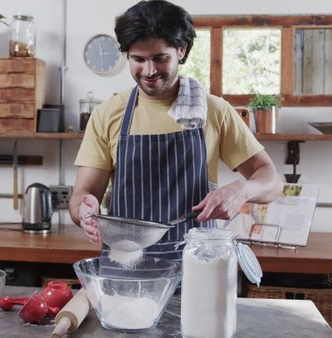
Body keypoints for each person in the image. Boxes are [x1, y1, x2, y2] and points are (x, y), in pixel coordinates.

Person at [69, 0, 283, 263]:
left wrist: (242, 190)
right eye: (138, 59)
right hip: (126, 271)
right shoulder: (108, 114)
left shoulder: (214, 111)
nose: (149, 71)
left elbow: (272, 181)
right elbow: (82, 193)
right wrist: (84, 209)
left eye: (160, 58)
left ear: (181, 51)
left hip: (197, 268)